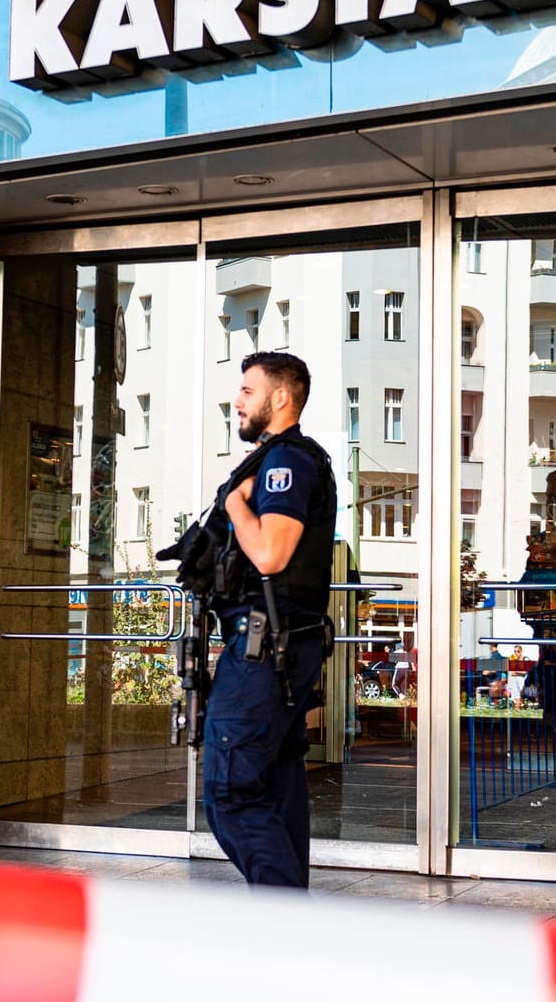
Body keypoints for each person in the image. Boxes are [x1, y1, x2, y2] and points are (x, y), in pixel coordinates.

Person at [204, 352, 336, 887]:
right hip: (278, 645)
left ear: (280, 398)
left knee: (231, 791)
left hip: (265, 648)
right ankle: (288, 930)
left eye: (247, 391)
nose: (237, 401)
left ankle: (282, 924)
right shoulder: (280, 459)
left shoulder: (285, 464)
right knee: (276, 787)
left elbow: (271, 556)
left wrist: (235, 504)